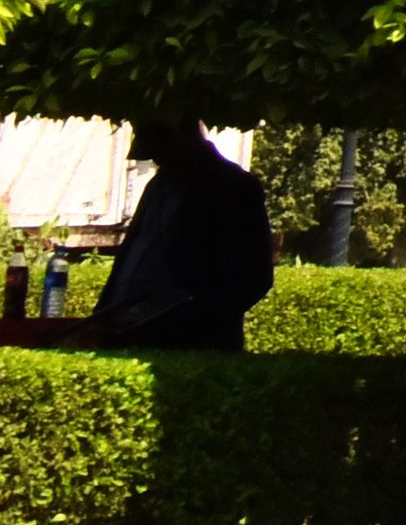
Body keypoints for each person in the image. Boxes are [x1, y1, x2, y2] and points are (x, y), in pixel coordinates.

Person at [86, 119, 269, 351]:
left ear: (183, 139)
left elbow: (254, 277)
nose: (157, 160)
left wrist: (192, 321)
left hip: (188, 345)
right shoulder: (159, 184)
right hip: (127, 333)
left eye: (161, 151)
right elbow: (133, 253)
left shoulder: (235, 187)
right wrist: (103, 315)